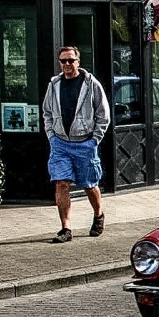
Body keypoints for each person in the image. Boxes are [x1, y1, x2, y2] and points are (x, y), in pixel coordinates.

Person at [41, 46, 111, 244]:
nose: (67, 65)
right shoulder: (54, 85)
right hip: (60, 144)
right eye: (63, 61)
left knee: (89, 184)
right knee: (61, 183)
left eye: (71, 60)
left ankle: (98, 215)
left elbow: (103, 115)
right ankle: (66, 228)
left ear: (78, 62)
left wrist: (94, 140)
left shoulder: (91, 84)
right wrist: (52, 136)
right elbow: (46, 112)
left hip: (85, 143)